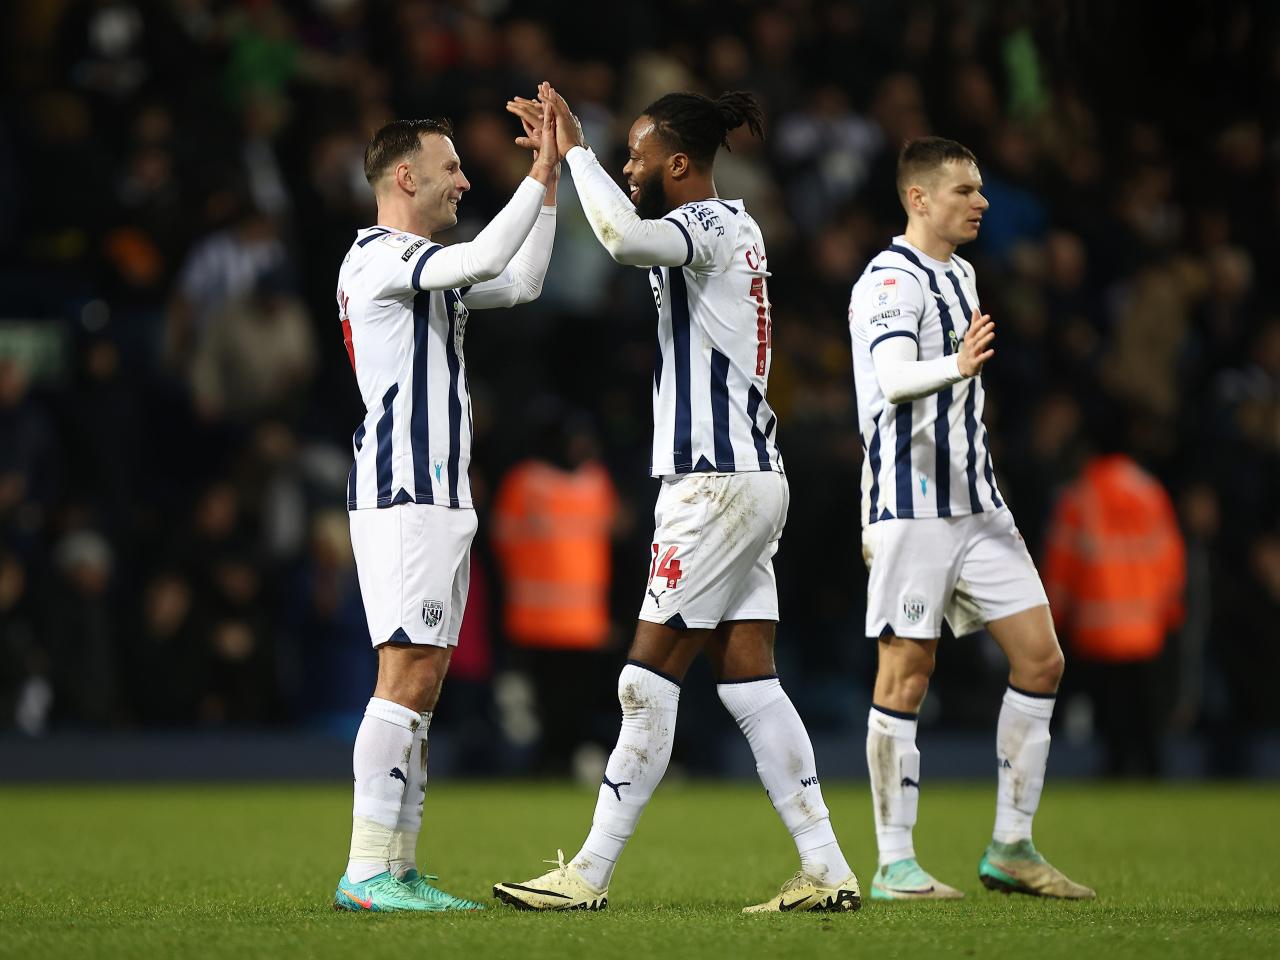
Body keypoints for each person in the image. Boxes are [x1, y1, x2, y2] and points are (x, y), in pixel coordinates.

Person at [494, 87, 860, 914]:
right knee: (750, 680)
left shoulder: (707, 225)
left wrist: (576, 151)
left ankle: (588, 874)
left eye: (639, 154)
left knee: (645, 678)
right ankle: (826, 868)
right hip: (748, 477)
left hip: (714, 482)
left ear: (681, 162)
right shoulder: (732, 229)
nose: (630, 167)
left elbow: (622, 239)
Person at [847, 136, 1094, 900]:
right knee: (907, 672)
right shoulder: (890, 279)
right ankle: (894, 863)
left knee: (1041, 659)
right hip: (911, 505)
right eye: (964, 190)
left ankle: (1011, 848)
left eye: (980, 188)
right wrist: (956, 365)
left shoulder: (961, 273)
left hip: (978, 502)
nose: (981, 202)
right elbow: (892, 378)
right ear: (918, 198)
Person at [332, 93, 560, 913]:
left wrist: (551, 183)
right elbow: (487, 257)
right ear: (405, 177)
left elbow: (521, 278)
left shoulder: (426, 270)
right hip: (404, 491)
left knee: (424, 680)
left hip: (439, 493)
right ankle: (366, 871)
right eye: (451, 167)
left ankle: (398, 869)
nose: (464, 181)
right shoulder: (377, 259)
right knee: (405, 671)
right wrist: (540, 166)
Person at [1042, 436, 1186, 777]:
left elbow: (1061, 565)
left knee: (1111, 715)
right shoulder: (1150, 493)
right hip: (1145, 628)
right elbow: (1170, 557)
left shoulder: (1080, 496)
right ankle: (1152, 773)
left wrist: (1051, 619)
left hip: (1098, 629)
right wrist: (1170, 612)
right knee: (1146, 715)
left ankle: (1117, 769)